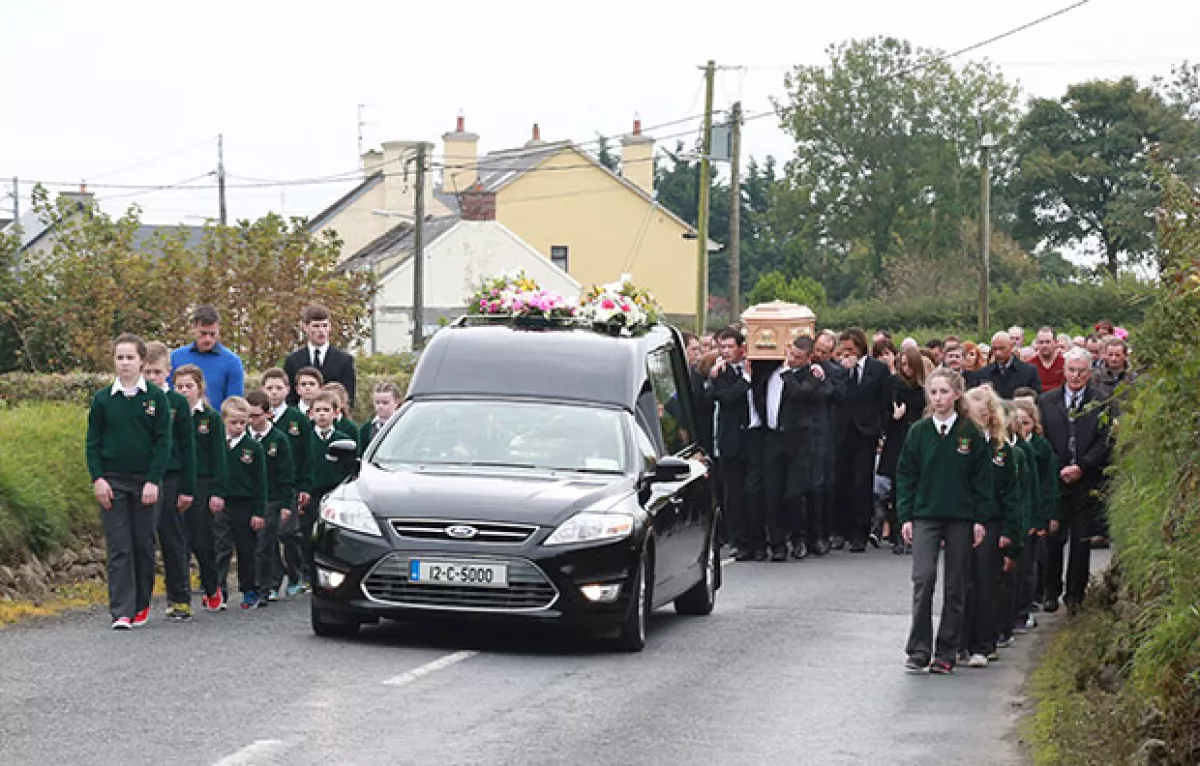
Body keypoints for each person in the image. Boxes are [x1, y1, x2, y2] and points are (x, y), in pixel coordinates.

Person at [896, 368, 992, 674]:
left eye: (944, 392)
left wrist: (979, 519)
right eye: (933, 392)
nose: (938, 398)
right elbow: (906, 475)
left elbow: (982, 481)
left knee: (955, 584)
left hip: (961, 517)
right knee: (923, 579)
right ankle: (919, 649)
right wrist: (906, 515)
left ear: (957, 395)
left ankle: (947, 650)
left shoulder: (970, 433)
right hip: (925, 514)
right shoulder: (919, 432)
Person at [86, 333, 172, 630]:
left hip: (145, 483)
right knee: (119, 546)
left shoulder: (155, 398)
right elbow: (92, 443)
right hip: (114, 481)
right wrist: (98, 479)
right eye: (119, 358)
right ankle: (121, 610)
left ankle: (141, 604)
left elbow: (163, 443)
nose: (124, 364)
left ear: (141, 361)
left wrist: (153, 481)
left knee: (143, 544)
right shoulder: (102, 400)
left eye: (130, 358)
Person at [1038, 348, 1111, 615]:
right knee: (1053, 539)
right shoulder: (1047, 401)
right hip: (1056, 480)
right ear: (1064, 371)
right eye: (1071, 370)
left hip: (1085, 480)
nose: (1076, 376)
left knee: (1081, 541)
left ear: (1089, 373)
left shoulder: (1101, 401)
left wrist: (1082, 466)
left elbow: (1104, 441)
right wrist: (1058, 467)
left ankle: (1075, 595)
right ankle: (1050, 591)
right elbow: (1041, 437)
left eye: (1081, 371)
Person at [960, 387, 1019, 668]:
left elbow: (1011, 495)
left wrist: (1010, 532)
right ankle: (959, 640)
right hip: (963, 521)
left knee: (986, 583)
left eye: (984, 414)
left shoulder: (1002, 451)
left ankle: (983, 643)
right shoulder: (963, 446)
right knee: (961, 583)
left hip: (991, 522)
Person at [143, 342, 198, 622]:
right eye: (147, 372)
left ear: (168, 371)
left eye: (157, 372)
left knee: (172, 539)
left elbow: (188, 448)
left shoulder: (177, 403)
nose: (152, 377)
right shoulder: (139, 399)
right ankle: (140, 599)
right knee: (142, 540)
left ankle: (180, 598)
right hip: (143, 477)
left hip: (172, 477)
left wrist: (188, 488)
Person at [173, 364, 227, 612]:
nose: (184, 391)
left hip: (203, 483)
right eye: (180, 386)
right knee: (177, 540)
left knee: (203, 540)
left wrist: (218, 491)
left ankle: (211, 587)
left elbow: (219, 457)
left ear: (199, 388)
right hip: (177, 480)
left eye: (189, 386)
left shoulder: (210, 418)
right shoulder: (171, 414)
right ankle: (180, 593)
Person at [834, 327, 894, 552]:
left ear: (860, 348)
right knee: (843, 482)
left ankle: (861, 531)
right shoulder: (839, 370)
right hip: (843, 432)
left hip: (865, 432)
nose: (847, 353)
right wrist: (843, 373)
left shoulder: (877, 369)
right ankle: (844, 530)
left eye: (851, 349)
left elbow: (883, 400)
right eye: (844, 349)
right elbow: (837, 396)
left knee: (862, 482)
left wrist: (880, 428)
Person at [710, 327, 765, 561]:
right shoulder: (719, 373)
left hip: (754, 436)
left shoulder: (758, 367)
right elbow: (727, 397)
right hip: (731, 440)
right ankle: (739, 541)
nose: (725, 351)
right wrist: (745, 379)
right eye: (722, 347)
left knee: (754, 492)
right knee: (733, 495)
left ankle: (758, 541)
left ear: (742, 348)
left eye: (730, 346)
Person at [261, 368, 312, 597]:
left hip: (289, 485)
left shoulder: (297, 419)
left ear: (288, 390)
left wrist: (304, 486)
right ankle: (273, 578)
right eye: (269, 388)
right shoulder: (260, 419)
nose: (274, 393)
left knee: (288, 532)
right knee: (267, 534)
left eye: (278, 388)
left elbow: (306, 454)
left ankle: (295, 572)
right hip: (266, 487)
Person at [778, 336, 831, 559]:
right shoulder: (781, 372)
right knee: (789, 493)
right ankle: (793, 535)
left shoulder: (814, 375)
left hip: (805, 441)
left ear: (809, 358)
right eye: (792, 355)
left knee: (807, 491)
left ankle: (810, 537)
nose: (793, 361)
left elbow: (800, 392)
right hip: (781, 438)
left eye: (799, 358)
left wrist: (787, 373)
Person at [214, 396, 268, 609]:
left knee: (247, 550)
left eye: (242, 422)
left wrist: (259, 511)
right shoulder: (217, 444)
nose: (238, 427)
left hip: (245, 505)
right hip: (222, 504)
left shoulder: (253, 447)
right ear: (224, 421)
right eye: (233, 422)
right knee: (221, 547)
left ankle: (249, 589)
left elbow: (260, 482)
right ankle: (219, 590)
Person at [245, 391, 295, 604]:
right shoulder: (243, 438)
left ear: (268, 415)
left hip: (272, 498)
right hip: (248, 497)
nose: (252, 421)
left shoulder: (279, 440)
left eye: (256, 416)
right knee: (252, 544)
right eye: (250, 416)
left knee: (265, 543)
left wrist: (285, 503)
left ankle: (268, 586)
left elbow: (286, 474)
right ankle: (258, 581)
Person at [303, 390, 357, 581]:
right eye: (318, 410)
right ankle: (308, 574)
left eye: (326, 410)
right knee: (308, 533)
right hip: (312, 493)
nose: (322, 414)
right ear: (310, 414)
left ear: (336, 413)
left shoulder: (344, 438)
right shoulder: (305, 437)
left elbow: (351, 468)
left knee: (334, 535)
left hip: (336, 493)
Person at [878, 346, 925, 553]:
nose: (906, 369)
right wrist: (894, 417)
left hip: (916, 440)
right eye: (902, 364)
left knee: (914, 487)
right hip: (898, 440)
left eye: (909, 364)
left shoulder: (923, 388)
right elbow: (883, 416)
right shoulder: (894, 384)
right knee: (897, 488)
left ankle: (912, 533)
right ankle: (898, 533)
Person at [170, 305, 244, 411]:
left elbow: (234, 405)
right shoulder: (175, 358)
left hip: (215, 424)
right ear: (194, 328)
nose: (208, 339)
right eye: (203, 333)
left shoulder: (232, 362)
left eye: (212, 334)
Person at [284, 304, 357, 408]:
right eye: (316, 326)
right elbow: (289, 397)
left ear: (330, 327)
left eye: (325, 325)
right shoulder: (293, 361)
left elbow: (349, 397)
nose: (321, 330)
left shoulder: (344, 361)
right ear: (305, 327)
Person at [967, 331, 1041, 400]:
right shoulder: (982, 374)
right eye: (994, 349)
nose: (998, 353)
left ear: (1011, 347)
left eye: (1002, 348)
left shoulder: (1029, 372)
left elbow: (1035, 400)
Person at [360, 381, 401, 455]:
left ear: (397, 402)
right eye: (377, 402)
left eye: (385, 402)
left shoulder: (404, 426)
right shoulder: (366, 428)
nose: (380, 406)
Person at [1032, 327, 1065, 394]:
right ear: (1037, 344)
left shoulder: (1065, 364)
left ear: (1056, 343)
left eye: (1048, 342)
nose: (1044, 345)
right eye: (1041, 342)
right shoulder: (1030, 365)